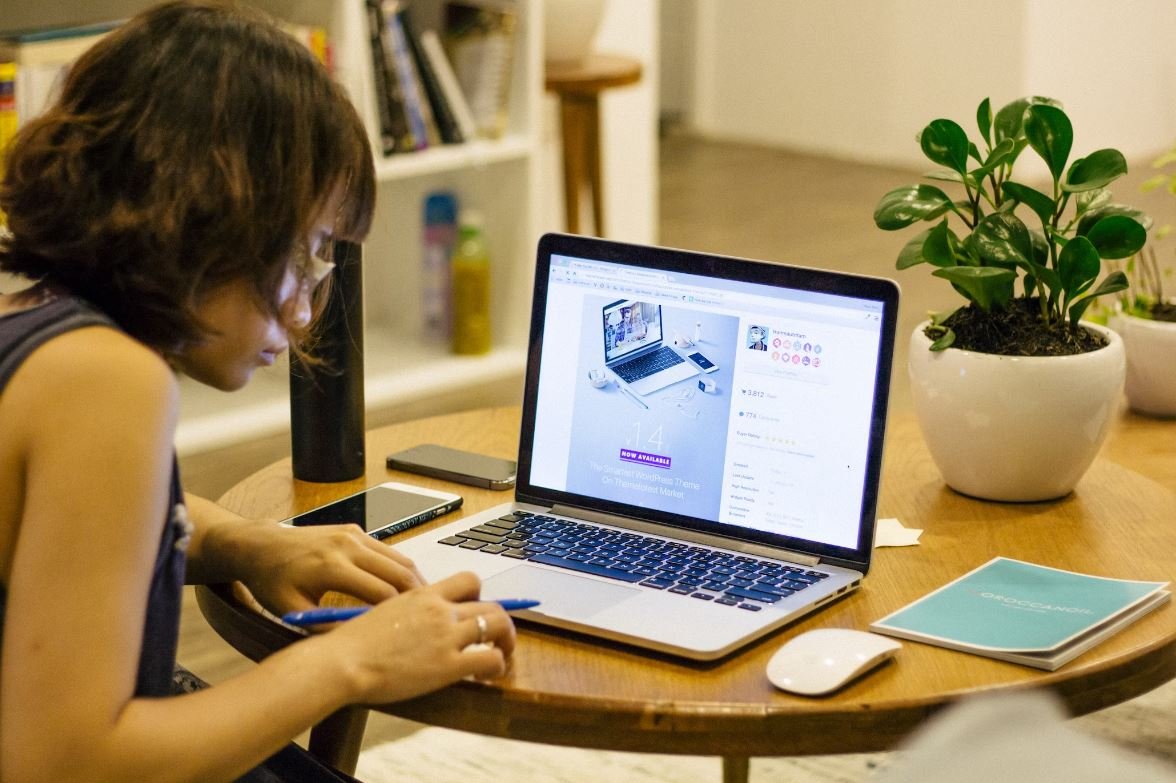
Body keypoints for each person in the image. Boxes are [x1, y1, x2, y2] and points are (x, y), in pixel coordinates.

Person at [0, 3, 515, 782]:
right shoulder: (108, 382)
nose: (307, 310)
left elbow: (74, 524)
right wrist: (353, 660)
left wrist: (248, 541)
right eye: (304, 253)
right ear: (216, 214)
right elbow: (64, 760)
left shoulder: (32, 314)